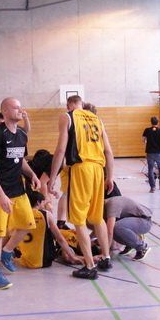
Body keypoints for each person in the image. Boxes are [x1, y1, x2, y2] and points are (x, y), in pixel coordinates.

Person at [49, 95, 114, 280]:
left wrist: (52, 177)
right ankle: (106, 258)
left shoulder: (67, 116)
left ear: (70, 104)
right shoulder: (97, 119)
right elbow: (108, 151)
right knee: (97, 217)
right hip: (98, 170)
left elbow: (61, 150)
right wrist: (110, 176)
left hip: (81, 169)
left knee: (79, 220)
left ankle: (90, 266)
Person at [0, 97, 41, 290]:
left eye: (20, 107)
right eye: (16, 108)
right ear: (5, 112)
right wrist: (1, 195)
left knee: (27, 223)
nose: (20, 110)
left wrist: (32, 175)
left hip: (18, 189)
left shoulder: (22, 134)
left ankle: (7, 252)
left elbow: (21, 159)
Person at [16, 191, 83, 268]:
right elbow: (60, 239)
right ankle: (87, 258)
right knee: (64, 248)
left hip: (24, 259)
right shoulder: (46, 214)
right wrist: (72, 256)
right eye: (43, 202)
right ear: (38, 202)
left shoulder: (20, 215)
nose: (44, 205)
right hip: (45, 261)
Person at [104, 195, 152, 260]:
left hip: (145, 221)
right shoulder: (105, 206)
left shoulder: (112, 205)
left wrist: (105, 253)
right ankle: (130, 245)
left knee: (116, 227)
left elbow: (110, 231)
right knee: (114, 231)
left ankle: (142, 247)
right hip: (136, 220)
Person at [142, 116, 160, 192]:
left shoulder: (147, 130)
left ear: (151, 122)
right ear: (158, 122)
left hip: (150, 153)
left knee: (150, 170)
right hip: (158, 153)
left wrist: (148, 141)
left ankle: (152, 187)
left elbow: (143, 140)